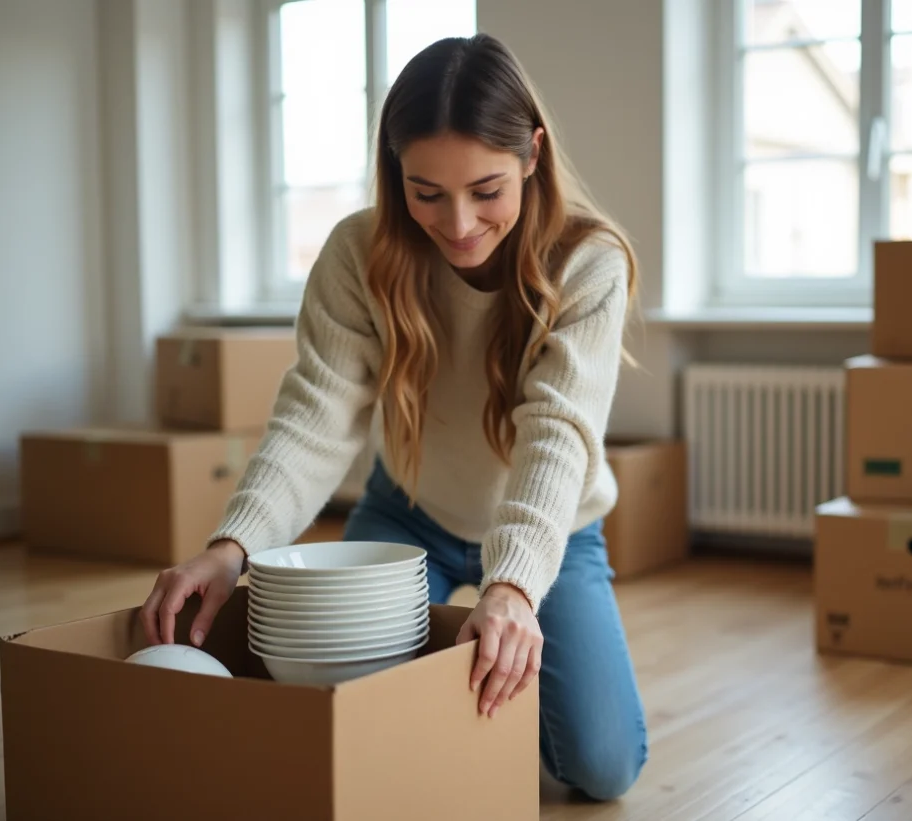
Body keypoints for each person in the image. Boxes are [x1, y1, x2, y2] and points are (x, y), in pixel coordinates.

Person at [139, 33, 647, 802]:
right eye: (426, 192)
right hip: (410, 515)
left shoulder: (590, 262)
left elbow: (557, 434)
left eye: (487, 189)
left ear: (533, 155)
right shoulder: (358, 252)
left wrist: (511, 588)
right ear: (393, 169)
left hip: (556, 531)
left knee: (604, 767)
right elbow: (314, 417)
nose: (460, 224)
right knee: (351, 717)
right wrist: (231, 546)